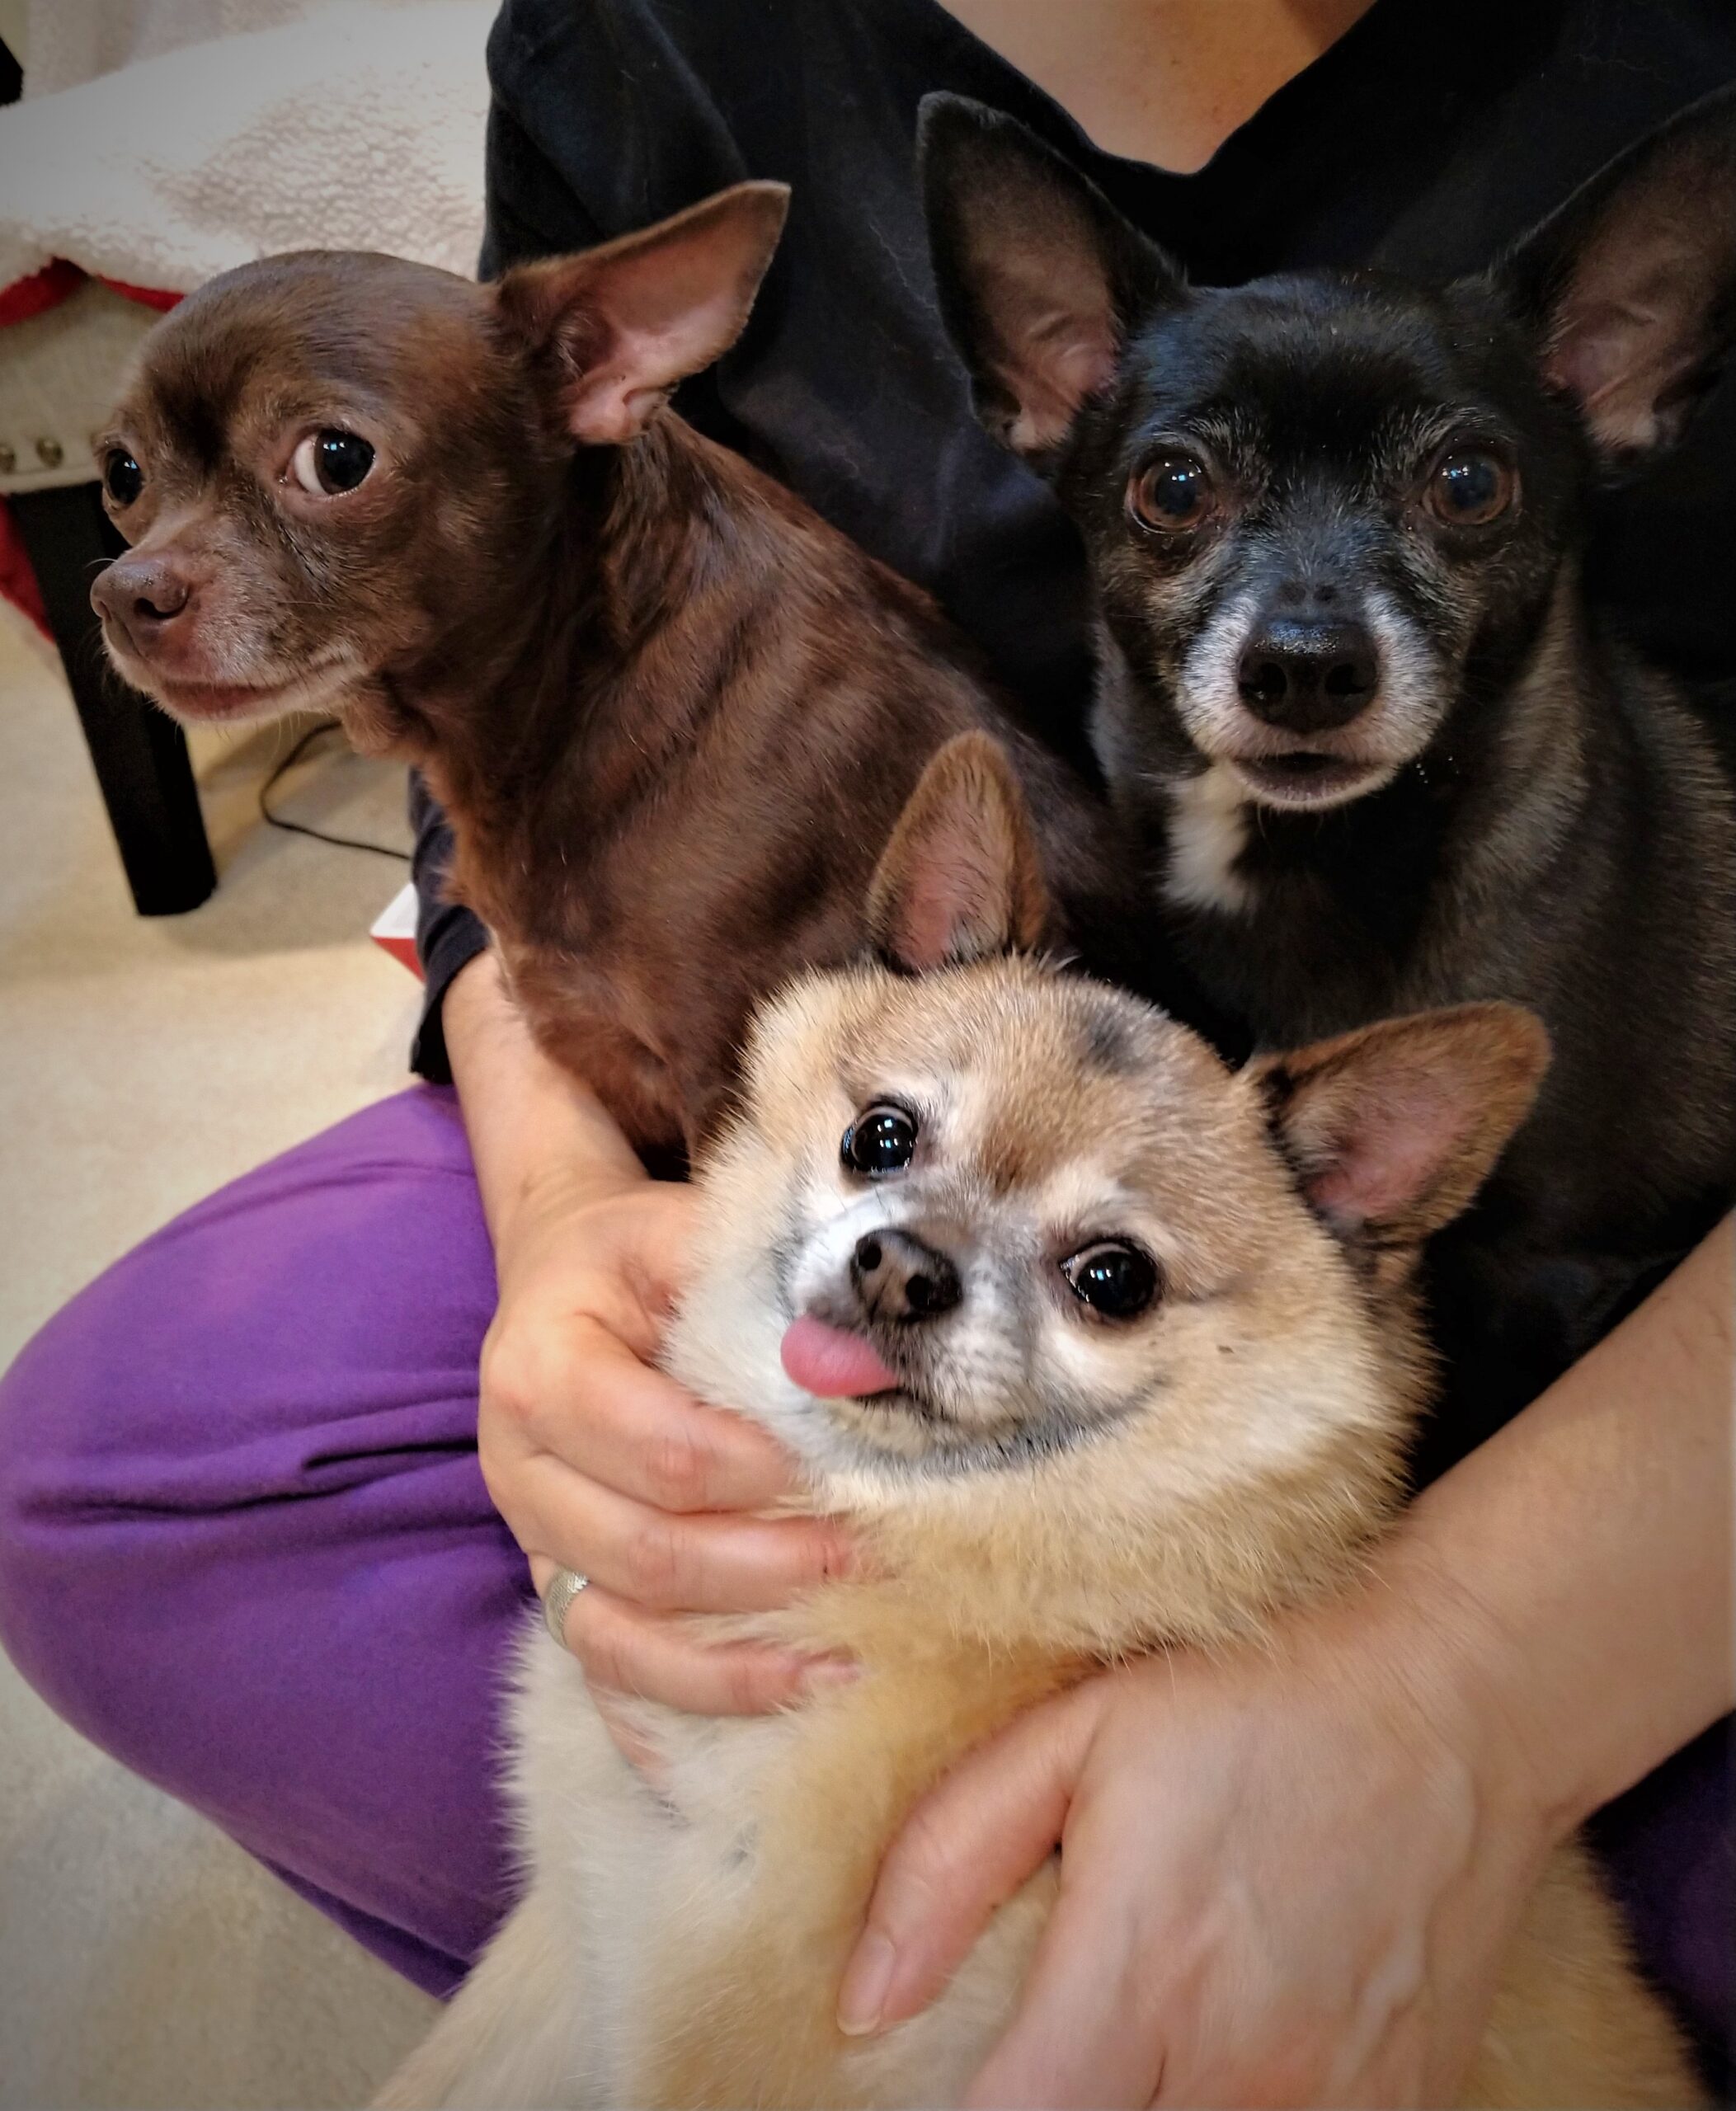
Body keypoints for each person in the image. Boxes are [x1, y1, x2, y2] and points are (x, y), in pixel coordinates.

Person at [1, 0, 1730, 2100]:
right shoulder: (647, 43)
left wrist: (1461, 1698)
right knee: (121, 1483)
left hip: (1627, 1344)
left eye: (1454, 487)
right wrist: (563, 1225)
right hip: (860, 1113)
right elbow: (484, 730)